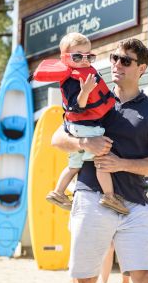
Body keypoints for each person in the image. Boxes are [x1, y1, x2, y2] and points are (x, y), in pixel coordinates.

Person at [52, 38, 148, 283]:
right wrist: (85, 142)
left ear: (141, 69)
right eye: (114, 58)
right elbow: (57, 138)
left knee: (145, 278)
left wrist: (121, 163)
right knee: (85, 279)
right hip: (91, 198)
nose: (117, 64)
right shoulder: (92, 98)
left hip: (136, 204)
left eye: (126, 60)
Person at [33, 32, 128, 214]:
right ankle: (109, 195)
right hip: (86, 128)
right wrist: (85, 91)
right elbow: (77, 106)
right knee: (101, 160)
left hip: (77, 127)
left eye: (89, 56)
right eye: (78, 56)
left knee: (74, 165)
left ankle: (58, 192)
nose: (84, 60)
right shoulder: (71, 80)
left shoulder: (82, 74)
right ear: (65, 58)